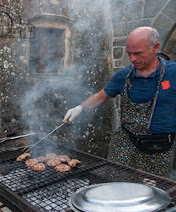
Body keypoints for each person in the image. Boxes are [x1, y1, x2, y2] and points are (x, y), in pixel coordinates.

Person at [63, 27, 176, 177]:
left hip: (159, 146)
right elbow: (101, 95)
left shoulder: (173, 73)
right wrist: (79, 108)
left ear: (155, 47)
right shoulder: (123, 75)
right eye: (129, 53)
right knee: (117, 183)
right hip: (126, 143)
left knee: (154, 192)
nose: (132, 59)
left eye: (138, 53)